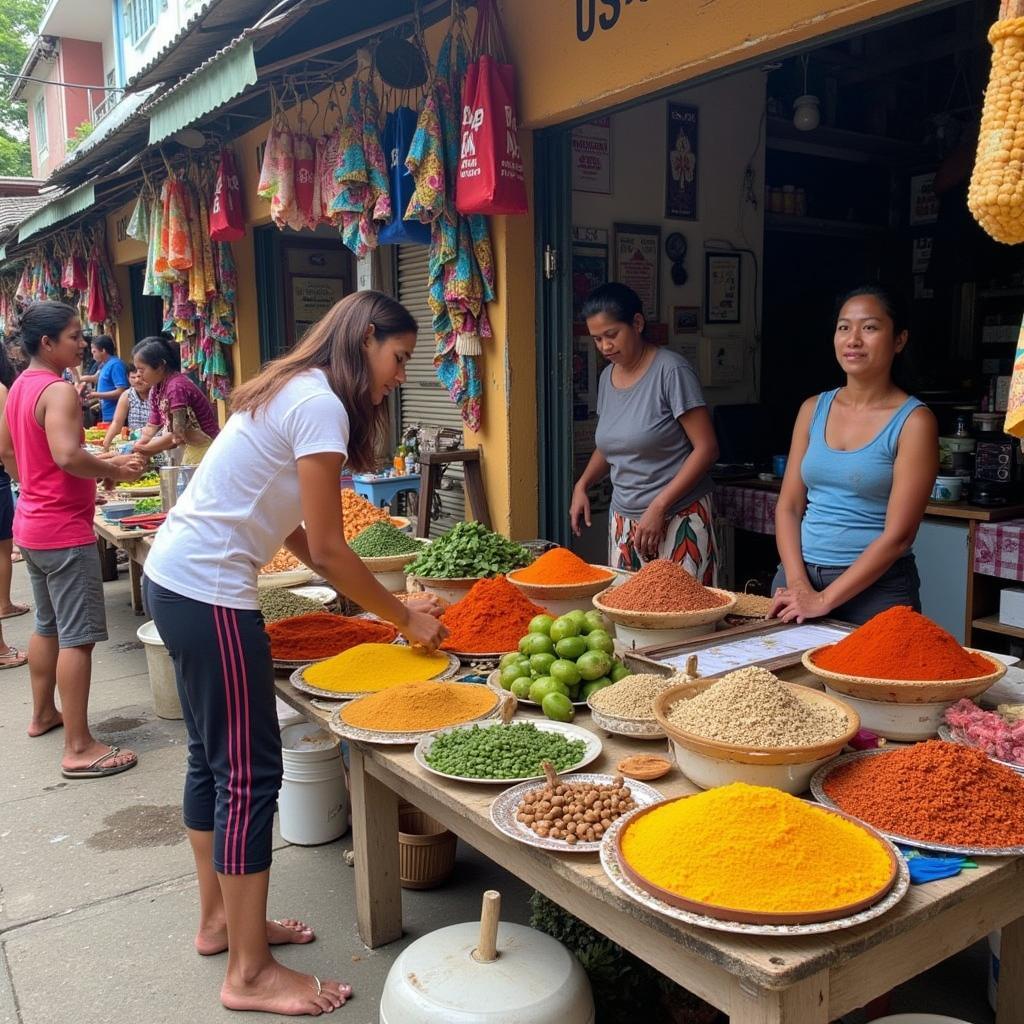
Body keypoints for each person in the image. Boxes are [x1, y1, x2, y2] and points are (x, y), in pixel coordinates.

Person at [142, 290, 448, 1016]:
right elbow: (335, 548)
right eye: (399, 358)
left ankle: (223, 923)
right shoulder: (321, 404)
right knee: (250, 777)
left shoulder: (288, 385)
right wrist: (405, 617)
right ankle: (249, 972)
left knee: (210, 764)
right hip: (211, 593)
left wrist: (370, 605)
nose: (400, 376)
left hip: (175, 580)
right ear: (366, 337)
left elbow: (300, 536)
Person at [0, 301, 145, 772]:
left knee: (48, 626)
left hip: (33, 525)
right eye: (75, 336)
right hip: (63, 531)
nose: (83, 344)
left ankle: (43, 714)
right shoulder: (58, 391)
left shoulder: (21, 387)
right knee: (77, 639)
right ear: (47, 343)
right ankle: (80, 748)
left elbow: (8, 451)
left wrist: (55, 483)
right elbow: (66, 454)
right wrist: (111, 467)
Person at [770, 286, 939, 625]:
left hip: (877, 592)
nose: (854, 339)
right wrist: (801, 584)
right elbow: (788, 506)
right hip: (799, 580)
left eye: (870, 327)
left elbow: (899, 535)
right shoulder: (812, 409)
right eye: (844, 327)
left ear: (900, 340)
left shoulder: (914, 422)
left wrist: (824, 600)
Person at [570, 282, 720, 579]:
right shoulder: (606, 378)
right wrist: (582, 484)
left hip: (679, 516)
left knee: (682, 617)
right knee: (627, 613)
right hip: (624, 519)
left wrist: (660, 505)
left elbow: (707, 448)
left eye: (611, 335)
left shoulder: (671, 371)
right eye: (597, 339)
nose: (605, 347)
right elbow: (610, 442)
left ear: (637, 323)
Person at [131, 337, 219, 464]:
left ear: (160, 366)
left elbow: (177, 435)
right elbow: (152, 426)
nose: (139, 376)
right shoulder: (157, 388)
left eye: (142, 370)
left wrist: (145, 449)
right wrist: (139, 448)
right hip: (191, 445)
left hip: (205, 446)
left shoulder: (176, 387)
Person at [101, 366, 152, 451]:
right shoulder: (127, 395)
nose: (137, 381)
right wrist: (106, 444)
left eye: (140, 377)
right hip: (134, 442)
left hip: (157, 442)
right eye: (133, 377)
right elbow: (117, 423)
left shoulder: (157, 394)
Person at [80, 335, 129, 423]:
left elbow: (121, 392)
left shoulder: (116, 365)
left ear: (103, 350)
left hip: (116, 415)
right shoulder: (104, 364)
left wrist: (96, 394)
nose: (92, 354)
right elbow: (94, 378)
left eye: (94, 351)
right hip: (107, 414)